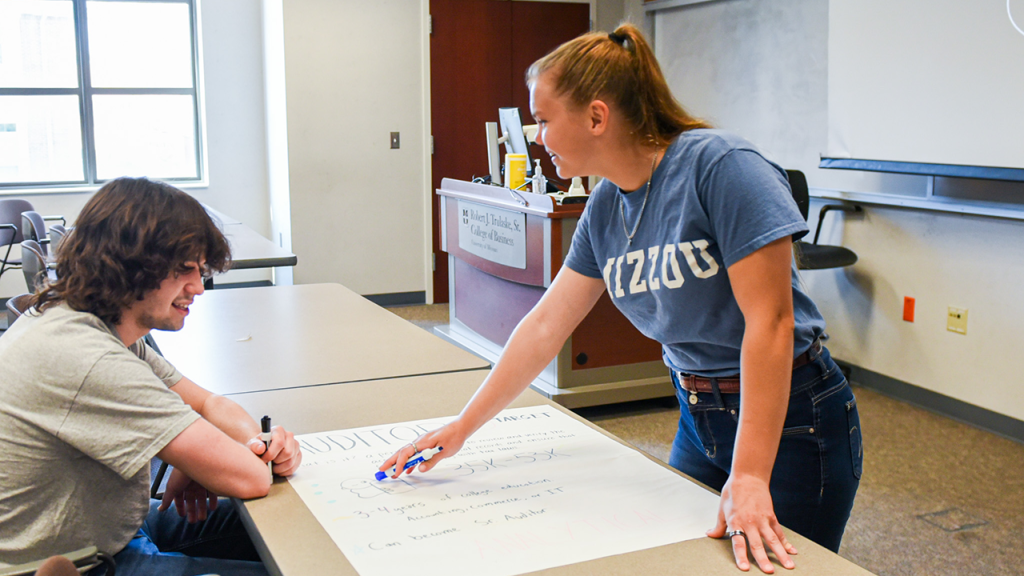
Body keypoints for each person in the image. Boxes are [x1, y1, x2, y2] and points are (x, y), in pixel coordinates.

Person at [381, 24, 861, 573]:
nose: (537, 137)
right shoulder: (606, 206)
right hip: (699, 413)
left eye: (543, 120)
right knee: (688, 561)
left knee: (780, 565)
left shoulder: (721, 167)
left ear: (596, 117)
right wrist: (462, 426)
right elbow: (545, 327)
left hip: (793, 416)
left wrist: (750, 474)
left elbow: (772, 323)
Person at [0, 177, 303, 576]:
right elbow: (249, 478)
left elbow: (210, 404)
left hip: (112, 528)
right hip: (81, 562)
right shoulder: (90, 358)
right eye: (183, 270)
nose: (198, 287)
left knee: (284, 531)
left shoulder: (93, 320)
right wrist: (226, 459)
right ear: (129, 265)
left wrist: (249, 445)